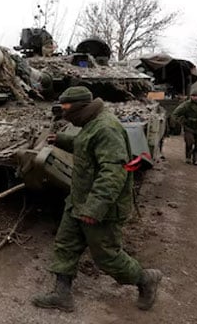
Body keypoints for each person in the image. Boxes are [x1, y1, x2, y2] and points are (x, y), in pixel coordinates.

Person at [32, 86, 162, 312]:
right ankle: (62, 295)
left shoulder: (106, 128)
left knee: (107, 257)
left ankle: (145, 279)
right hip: (79, 199)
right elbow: (87, 146)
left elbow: (113, 173)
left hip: (101, 206)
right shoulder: (91, 123)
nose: (63, 113)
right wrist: (62, 139)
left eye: (66, 108)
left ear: (80, 108)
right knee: (66, 245)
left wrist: (94, 208)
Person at [171, 90, 197, 165]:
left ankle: (196, 159)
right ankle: (188, 157)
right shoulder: (186, 105)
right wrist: (181, 121)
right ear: (191, 96)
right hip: (189, 127)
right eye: (194, 96)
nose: (196, 98)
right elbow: (175, 114)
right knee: (189, 142)